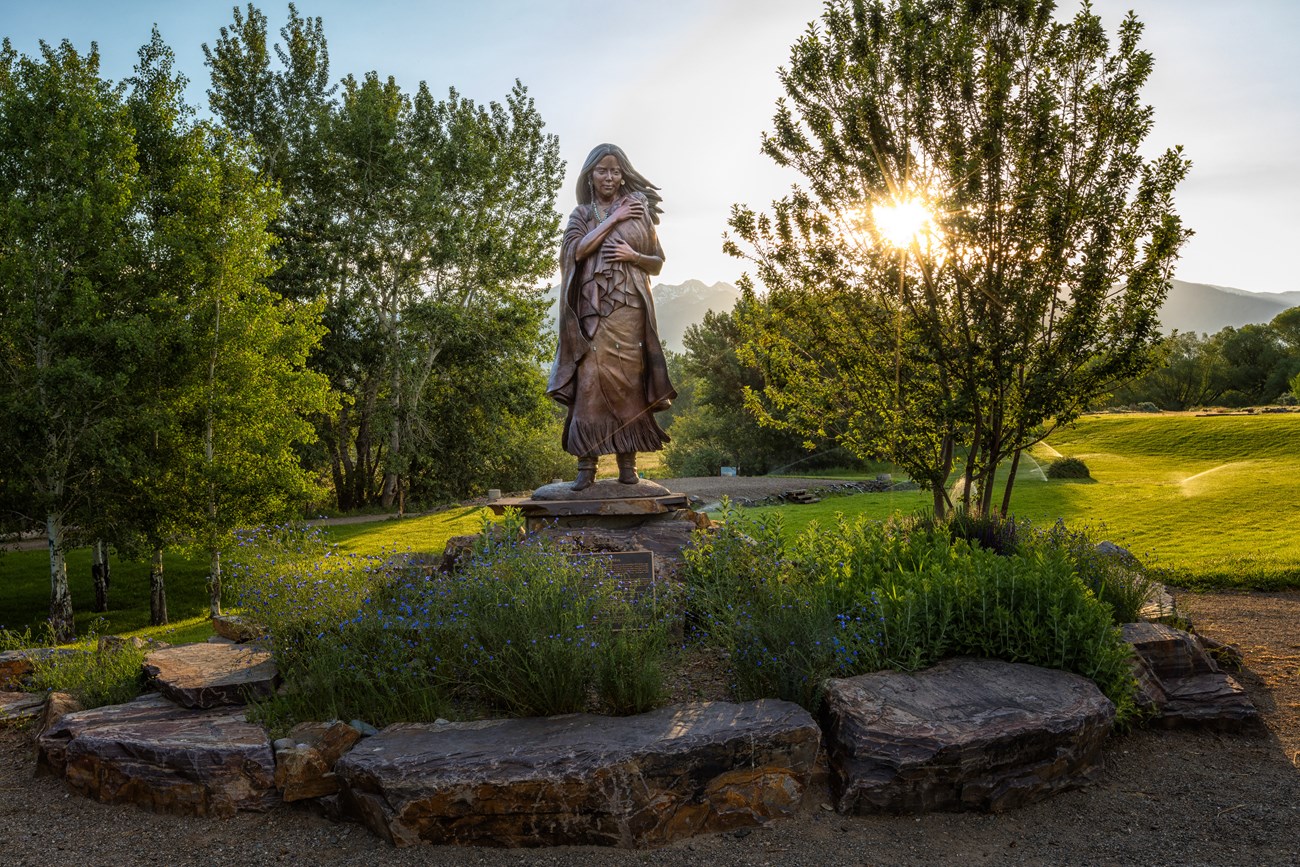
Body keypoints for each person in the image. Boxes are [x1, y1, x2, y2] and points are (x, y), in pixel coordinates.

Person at [547, 144, 676, 491]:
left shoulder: (639, 213)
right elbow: (575, 251)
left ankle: (628, 464)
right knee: (589, 383)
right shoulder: (581, 215)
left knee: (630, 385)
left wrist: (634, 255)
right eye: (602, 170)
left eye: (615, 171)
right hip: (592, 312)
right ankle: (586, 467)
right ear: (590, 175)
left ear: (623, 176)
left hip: (630, 310)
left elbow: (657, 262)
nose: (609, 177)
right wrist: (614, 219)